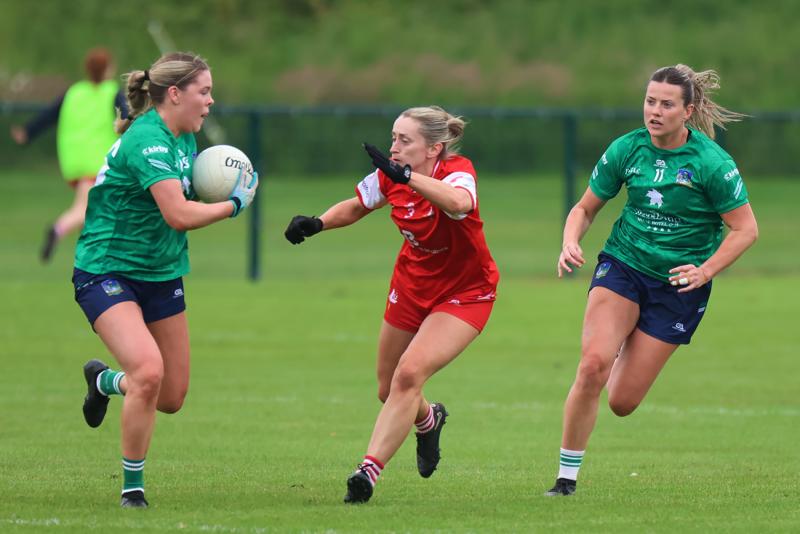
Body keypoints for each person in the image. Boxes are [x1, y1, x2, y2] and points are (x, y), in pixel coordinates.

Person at [546, 64, 758, 496]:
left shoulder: (711, 164)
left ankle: (626, 338)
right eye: (650, 101)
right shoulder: (627, 149)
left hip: (679, 285)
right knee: (591, 368)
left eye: (666, 104)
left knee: (622, 402)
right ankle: (565, 481)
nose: (654, 111)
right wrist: (570, 240)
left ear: (687, 110)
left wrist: (706, 270)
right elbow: (584, 208)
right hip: (624, 265)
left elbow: (746, 229)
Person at [284, 106, 499, 504]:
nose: (393, 147)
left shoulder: (456, 170)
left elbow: (459, 203)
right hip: (412, 286)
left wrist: (407, 177)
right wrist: (317, 223)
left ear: (434, 148)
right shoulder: (391, 173)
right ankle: (428, 419)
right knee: (389, 388)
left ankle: (368, 471)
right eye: (393, 138)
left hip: (465, 293)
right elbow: (357, 205)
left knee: (409, 375)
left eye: (404, 140)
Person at [74, 52, 258, 508]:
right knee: (148, 371)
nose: (211, 101)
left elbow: (185, 194)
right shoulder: (148, 140)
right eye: (204, 91)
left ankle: (103, 383)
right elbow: (177, 214)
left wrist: (219, 185)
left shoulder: (185, 141)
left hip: (162, 273)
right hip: (106, 269)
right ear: (174, 94)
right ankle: (132, 490)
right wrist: (233, 205)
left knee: (171, 394)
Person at [10, 47, 129, 262]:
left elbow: (49, 114)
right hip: (98, 160)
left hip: (74, 160)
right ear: (108, 69)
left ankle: (91, 255)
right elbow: (128, 116)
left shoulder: (74, 92)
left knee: (92, 210)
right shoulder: (112, 92)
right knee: (85, 208)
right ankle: (58, 229)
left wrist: (27, 132)